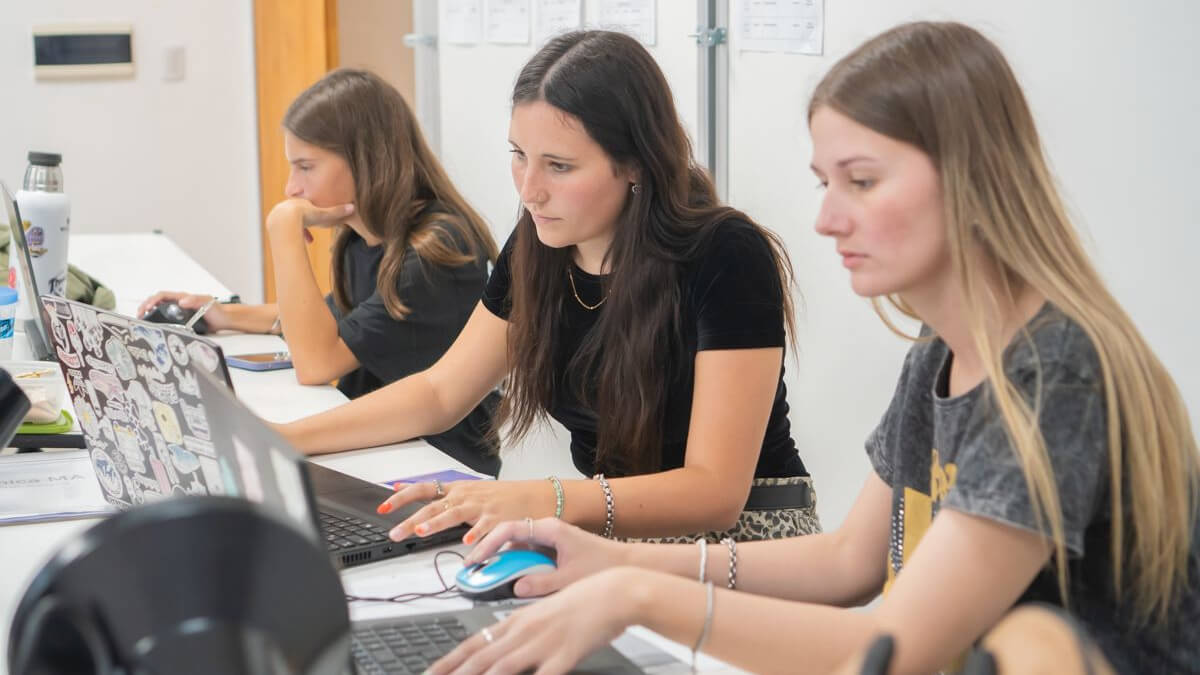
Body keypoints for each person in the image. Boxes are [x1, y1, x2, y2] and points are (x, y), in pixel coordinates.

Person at [425, 21, 1200, 675]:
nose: (827, 219)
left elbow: (897, 646)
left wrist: (636, 590)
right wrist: (612, 559)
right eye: (825, 183)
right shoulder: (939, 354)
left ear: (972, 180)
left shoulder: (1052, 373)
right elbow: (847, 563)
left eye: (860, 181)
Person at [281, 31, 820, 545]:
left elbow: (714, 492)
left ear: (635, 163)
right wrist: (286, 439)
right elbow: (440, 393)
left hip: (748, 538)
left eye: (559, 166)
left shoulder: (726, 253)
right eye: (519, 156)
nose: (531, 191)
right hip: (620, 533)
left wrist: (541, 498)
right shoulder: (539, 245)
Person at [138, 69, 502, 475]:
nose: (292, 188)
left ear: (366, 161)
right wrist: (222, 314)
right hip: (372, 444)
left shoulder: (437, 249)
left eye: (305, 167)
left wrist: (284, 231)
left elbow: (316, 362)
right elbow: (332, 320)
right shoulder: (361, 237)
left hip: (438, 463)